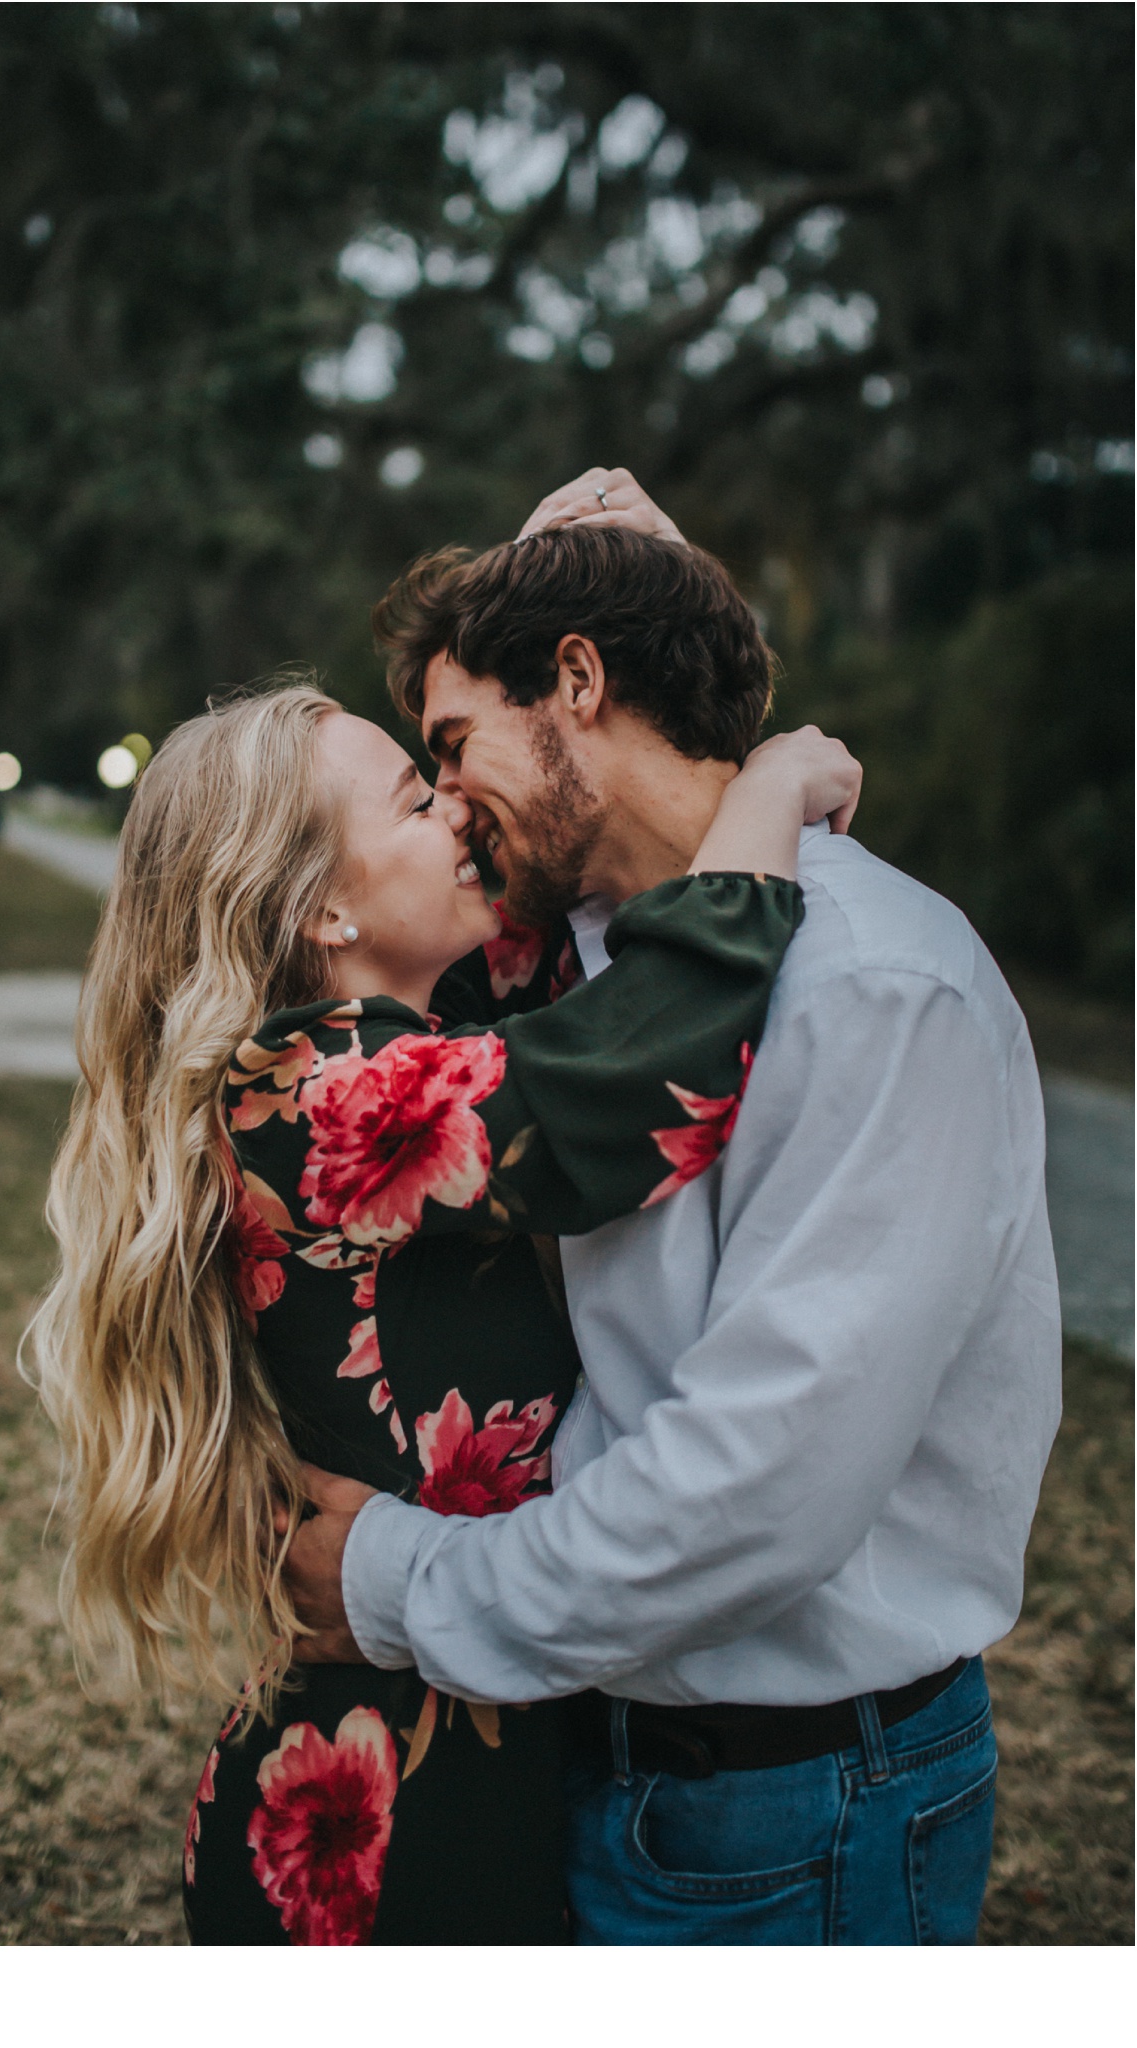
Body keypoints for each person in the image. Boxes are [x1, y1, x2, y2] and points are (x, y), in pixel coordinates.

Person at [280, 470, 1063, 1946]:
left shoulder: (872, 987)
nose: (447, 806)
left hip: (796, 1806)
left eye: (451, 749)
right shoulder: (585, 970)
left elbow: (747, 1494)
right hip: (606, 1756)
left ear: (574, 682)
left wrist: (395, 1581)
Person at [25, 666, 859, 1944]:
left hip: (476, 1749)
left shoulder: (411, 1035)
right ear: (322, 904)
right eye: (420, 800)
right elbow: (645, 1067)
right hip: (376, 1830)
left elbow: (563, 866)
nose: (462, 810)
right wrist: (772, 786)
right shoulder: (311, 1095)